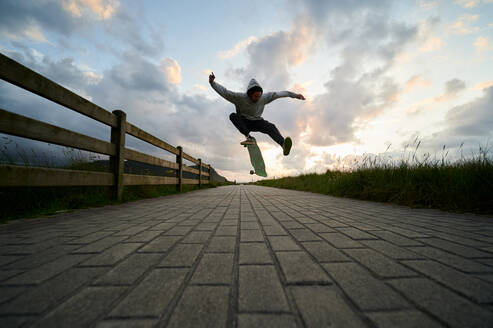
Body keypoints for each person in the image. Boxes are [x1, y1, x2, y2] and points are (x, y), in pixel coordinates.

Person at [209, 72, 305, 156]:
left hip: (257, 121)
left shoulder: (264, 97)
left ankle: (283, 145)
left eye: (259, 96)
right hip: (244, 122)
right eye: (255, 96)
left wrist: (295, 95)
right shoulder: (240, 97)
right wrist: (212, 83)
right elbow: (225, 93)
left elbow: (280, 94)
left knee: (271, 127)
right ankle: (249, 138)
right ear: (249, 94)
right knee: (233, 116)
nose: (257, 98)